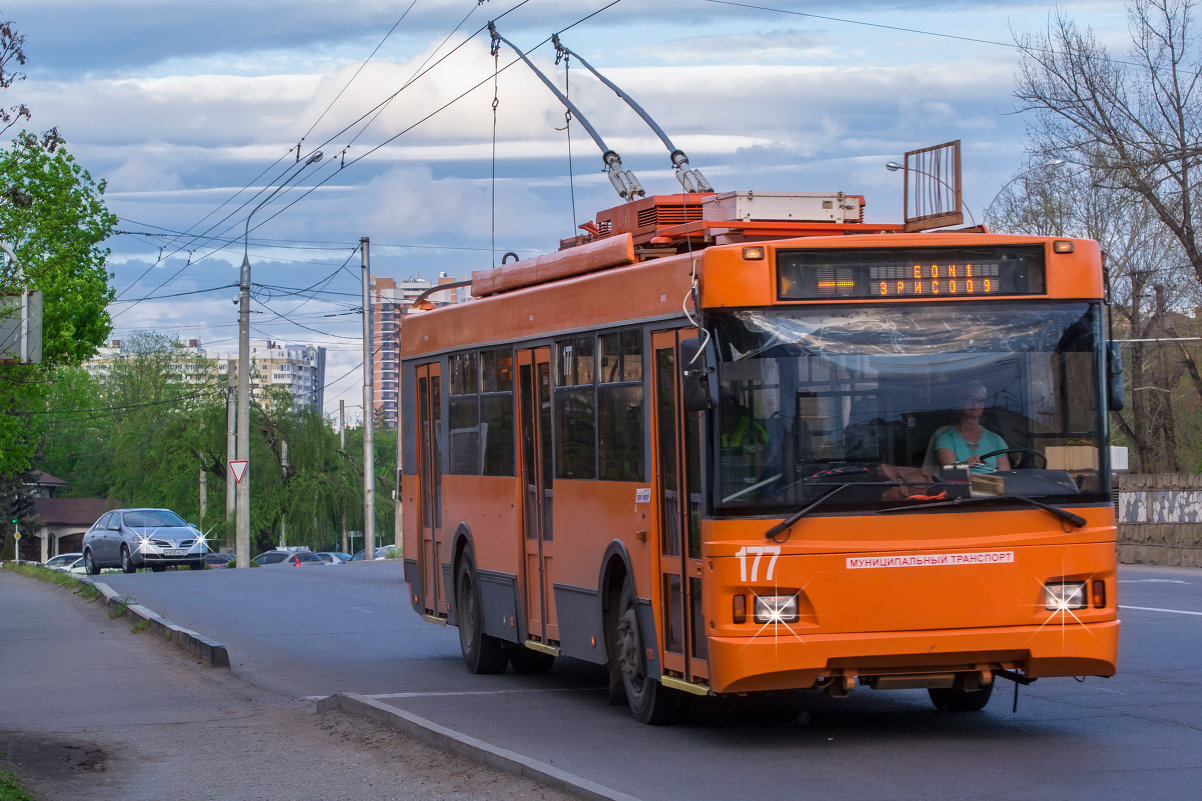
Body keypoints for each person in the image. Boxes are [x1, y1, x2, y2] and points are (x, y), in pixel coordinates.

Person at [935, 383, 1011, 474]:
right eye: (969, 399)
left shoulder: (995, 440)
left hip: (992, 486)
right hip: (962, 487)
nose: (975, 403)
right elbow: (950, 472)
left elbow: (1006, 476)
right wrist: (966, 464)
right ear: (959, 402)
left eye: (980, 400)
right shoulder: (946, 438)